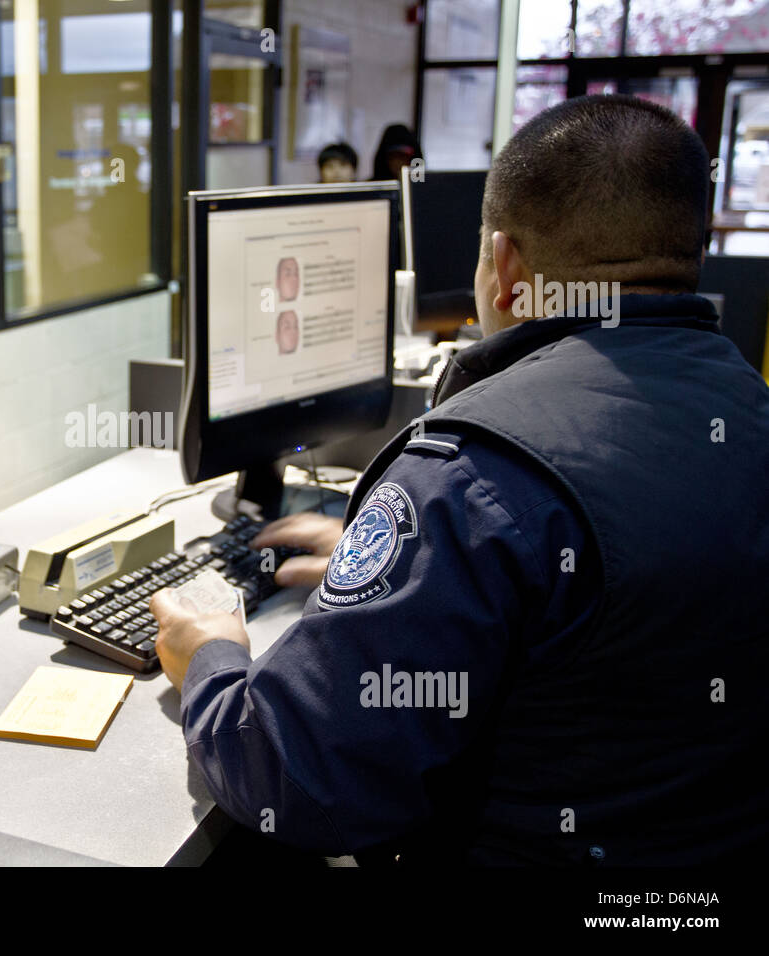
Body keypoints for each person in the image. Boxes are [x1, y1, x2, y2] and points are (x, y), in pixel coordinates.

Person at [151, 94, 769, 865]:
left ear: (504, 267)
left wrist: (209, 655)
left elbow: (290, 780)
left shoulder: (471, 475)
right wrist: (413, 563)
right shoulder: (748, 405)